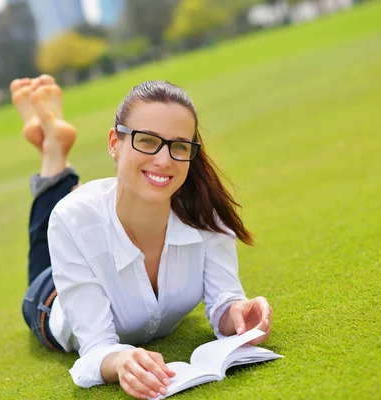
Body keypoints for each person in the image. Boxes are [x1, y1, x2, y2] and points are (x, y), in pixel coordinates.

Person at [16, 75, 273, 399]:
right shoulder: (73, 218)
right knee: (54, 231)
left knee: (86, 212)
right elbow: (96, 348)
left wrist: (238, 313)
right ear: (114, 143)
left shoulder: (207, 213)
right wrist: (120, 360)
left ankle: (57, 151)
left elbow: (224, 302)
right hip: (51, 300)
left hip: (99, 217)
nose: (164, 160)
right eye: (147, 141)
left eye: (179, 145)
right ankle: (53, 151)